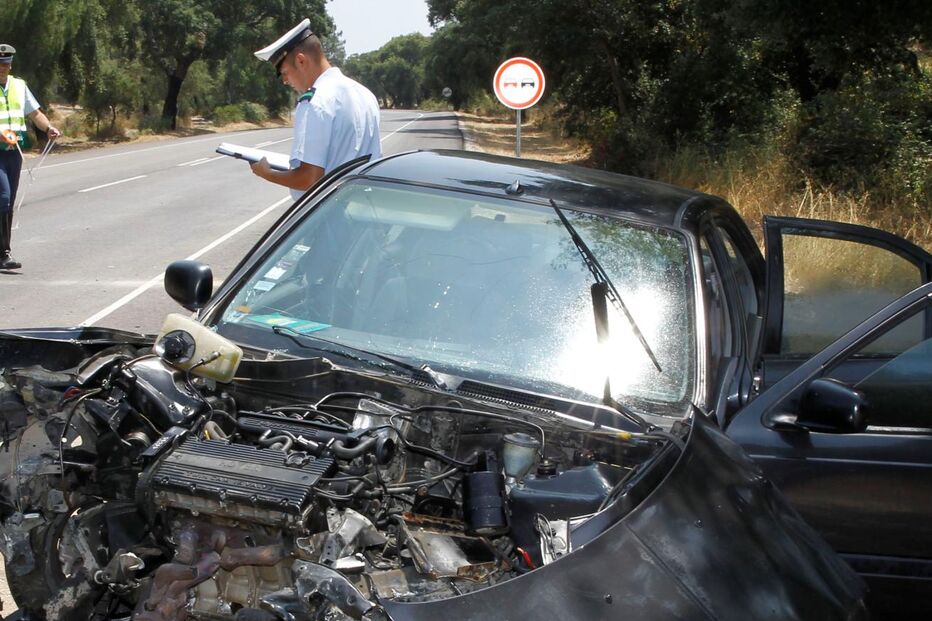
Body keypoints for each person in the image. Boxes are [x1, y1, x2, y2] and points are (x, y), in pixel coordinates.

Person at [251, 19, 381, 200]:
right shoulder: (365, 94)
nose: (285, 81)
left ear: (301, 61)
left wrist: (267, 173)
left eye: (285, 73)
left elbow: (310, 179)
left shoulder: (315, 102)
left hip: (330, 212)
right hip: (364, 206)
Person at [0, 43, 61, 271]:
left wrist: (48, 128)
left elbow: (35, 113)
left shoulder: (19, 86)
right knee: (3, 197)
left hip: (13, 154)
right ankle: (2, 254)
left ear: (10, 65)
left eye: (5, 64)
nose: (2, 67)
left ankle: (3, 252)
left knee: (8, 201)